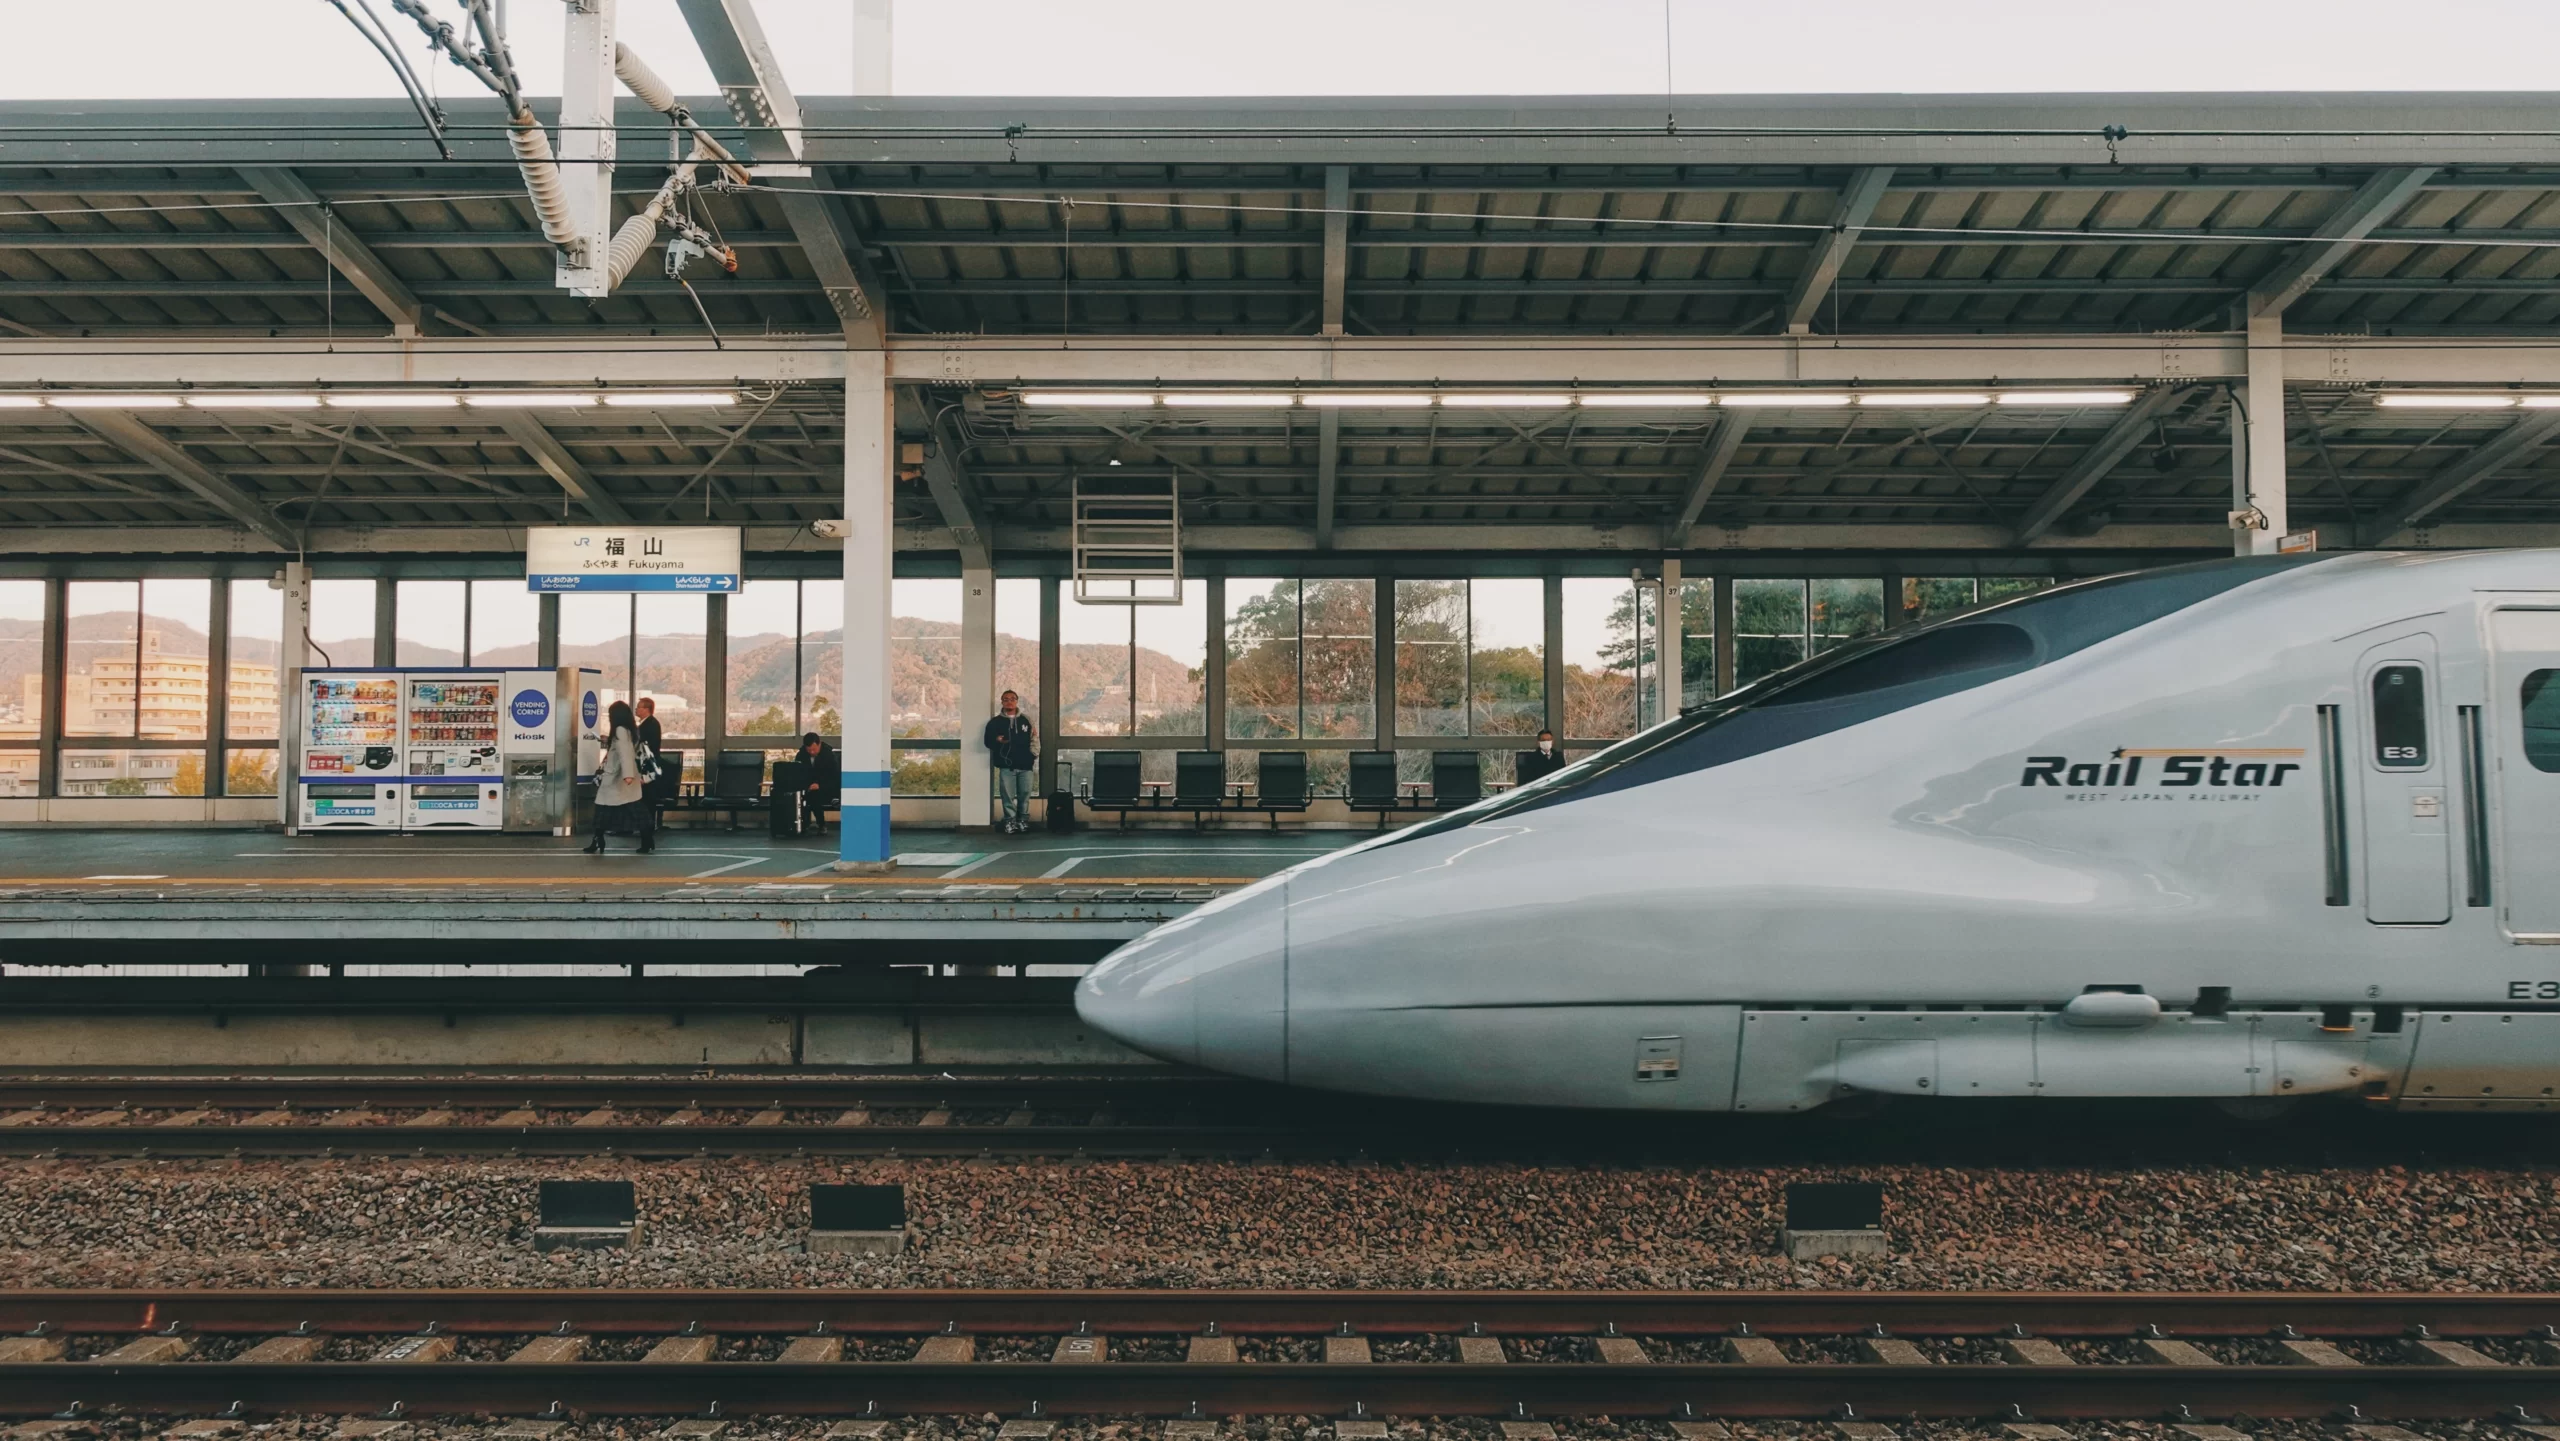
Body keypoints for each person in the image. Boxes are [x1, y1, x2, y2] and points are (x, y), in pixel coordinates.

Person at [585, 699, 655, 855]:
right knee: (635, 809)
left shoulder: (620, 730)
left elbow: (625, 753)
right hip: (624, 776)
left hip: (618, 777)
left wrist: (628, 775)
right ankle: (647, 839)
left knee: (602, 810)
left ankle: (597, 841)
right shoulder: (631, 729)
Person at [983, 689, 1037, 834]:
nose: (1009, 701)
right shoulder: (994, 723)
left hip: (1026, 766)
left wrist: (1033, 755)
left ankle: (1022, 821)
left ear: (1017, 701)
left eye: (1012, 699)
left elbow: (1035, 739)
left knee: (1024, 794)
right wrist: (997, 740)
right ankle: (1010, 822)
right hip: (1006, 766)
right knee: (1007, 796)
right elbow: (987, 742)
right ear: (1002, 702)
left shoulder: (1026, 720)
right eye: (1006, 699)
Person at [794, 732, 840, 835]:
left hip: (827, 787)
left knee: (814, 796)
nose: (811, 752)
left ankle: (821, 824)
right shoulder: (801, 755)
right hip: (808, 787)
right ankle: (802, 824)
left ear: (819, 744)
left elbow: (834, 777)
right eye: (809, 750)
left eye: (814, 749)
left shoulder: (829, 755)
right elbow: (797, 772)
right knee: (801, 795)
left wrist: (820, 785)